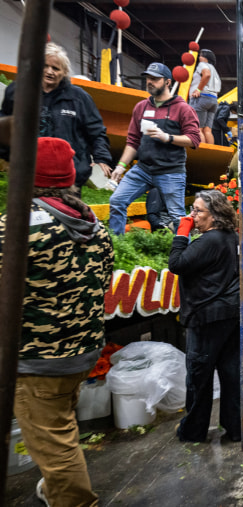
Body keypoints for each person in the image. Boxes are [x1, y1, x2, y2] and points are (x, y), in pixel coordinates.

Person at [1, 137, 114, 506]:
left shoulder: (17, 227)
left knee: (54, 441)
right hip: (83, 349)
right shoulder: (95, 227)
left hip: (38, 357)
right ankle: (54, 489)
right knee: (61, 428)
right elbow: (105, 280)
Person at [168, 189, 241, 443]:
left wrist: (181, 232)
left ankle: (193, 430)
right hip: (230, 312)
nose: (193, 215)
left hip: (208, 315)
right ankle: (235, 428)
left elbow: (176, 264)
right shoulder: (229, 236)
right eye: (193, 210)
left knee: (199, 375)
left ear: (215, 215)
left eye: (198, 211)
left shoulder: (208, 241)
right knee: (231, 373)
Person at [1, 42, 113, 194]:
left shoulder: (79, 98)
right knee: (28, 216)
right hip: (28, 174)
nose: (49, 72)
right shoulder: (17, 91)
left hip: (69, 178)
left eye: (55, 68)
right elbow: (5, 123)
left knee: (65, 215)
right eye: (45, 66)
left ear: (64, 72)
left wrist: (102, 159)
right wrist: (7, 156)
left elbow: (97, 131)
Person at [108, 62, 201, 235]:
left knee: (177, 217)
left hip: (171, 171)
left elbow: (194, 139)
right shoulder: (141, 107)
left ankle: (184, 257)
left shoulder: (183, 109)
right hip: (142, 169)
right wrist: (121, 165)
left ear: (167, 82)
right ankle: (115, 248)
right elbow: (133, 140)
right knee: (117, 200)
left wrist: (168, 137)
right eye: (148, 79)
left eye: (155, 79)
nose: (150, 82)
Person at [189, 49, 222, 145]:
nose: (199, 57)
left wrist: (198, 89)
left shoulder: (202, 65)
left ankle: (201, 153)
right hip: (213, 100)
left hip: (201, 98)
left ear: (206, 58)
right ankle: (210, 155)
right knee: (207, 130)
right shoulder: (215, 71)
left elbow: (206, 74)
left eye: (201, 55)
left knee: (198, 129)